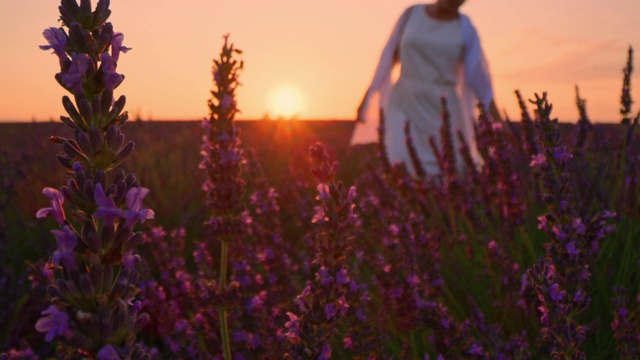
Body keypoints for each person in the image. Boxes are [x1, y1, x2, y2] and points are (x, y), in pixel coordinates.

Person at [350, 0, 501, 175]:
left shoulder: (466, 28)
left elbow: (479, 78)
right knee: (400, 163)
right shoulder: (411, 14)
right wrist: (368, 96)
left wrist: (496, 120)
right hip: (404, 101)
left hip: (444, 110)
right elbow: (389, 56)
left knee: (447, 171)